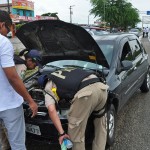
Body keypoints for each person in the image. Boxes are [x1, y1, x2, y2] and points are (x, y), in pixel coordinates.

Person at [38, 67, 109, 150]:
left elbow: (51, 110)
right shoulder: (64, 70)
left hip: (86, 94)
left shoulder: (48, 86)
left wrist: (62, 133)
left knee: (76, 134)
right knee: (101, 125)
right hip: (102, 88)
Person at [0, 10, 38, 150]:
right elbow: (12, 77)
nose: (8, 33)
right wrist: (30, 100)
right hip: (9, 105)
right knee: (17, 146)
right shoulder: (3, 42)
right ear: (2, 24)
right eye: (8, 29)